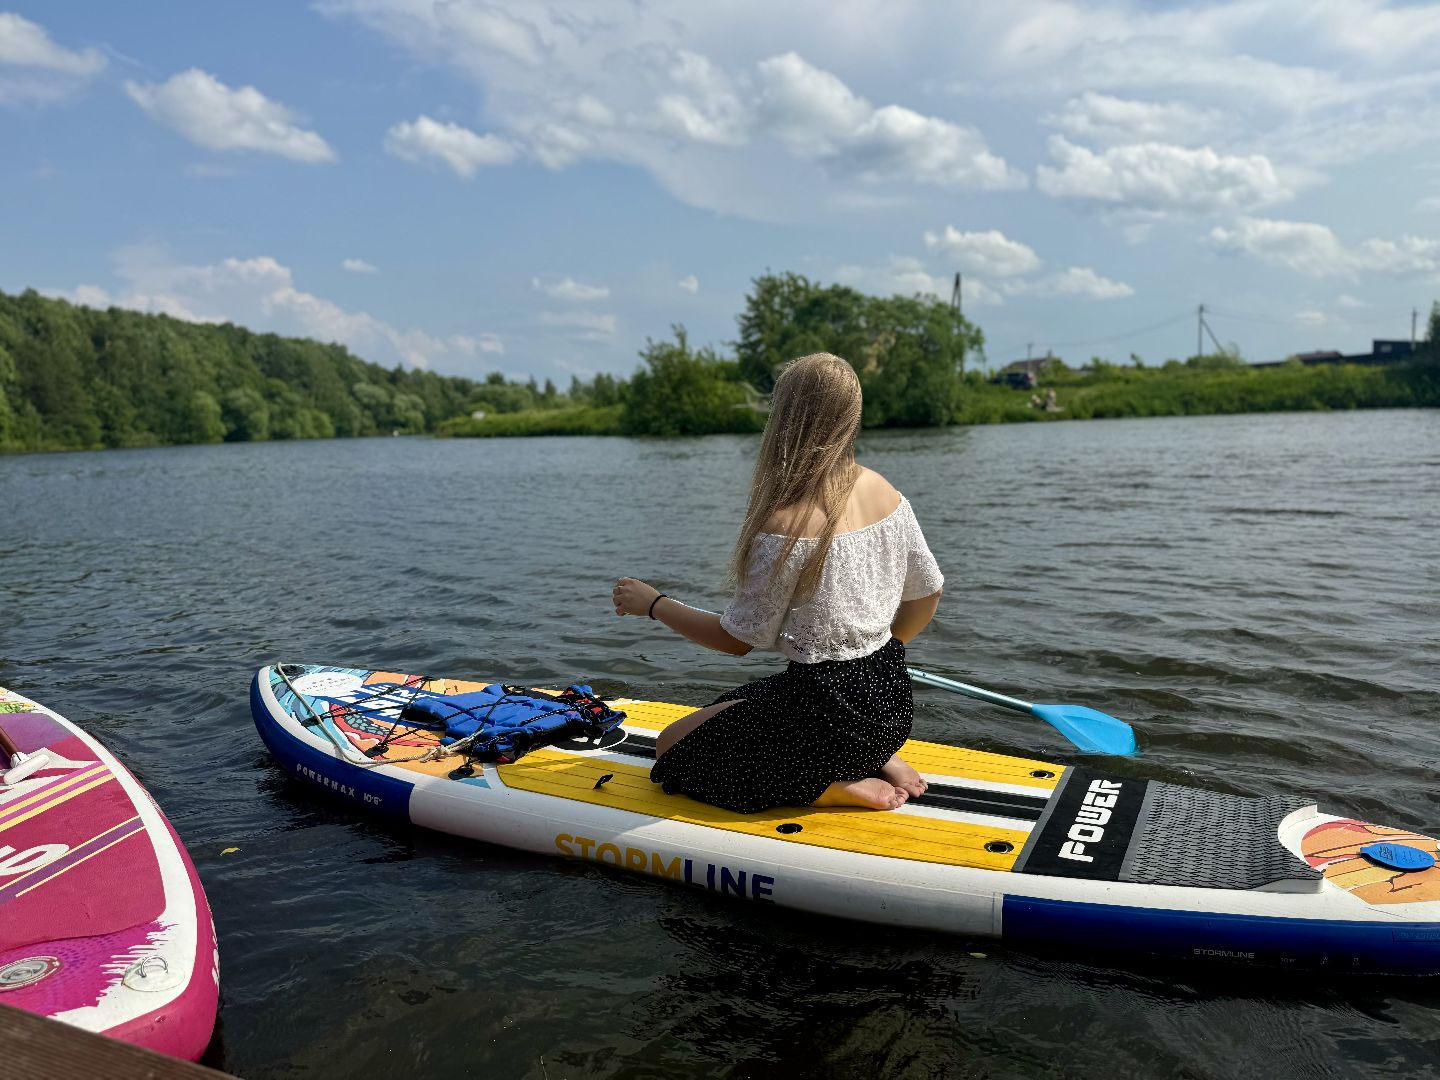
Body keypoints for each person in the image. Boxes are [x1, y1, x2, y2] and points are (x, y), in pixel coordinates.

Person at [609, 352, 944, 814]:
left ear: (784, 419)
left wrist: (656, 604)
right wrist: (878, 653)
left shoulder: (784, 522)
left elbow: (736, 642)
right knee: (748, 700)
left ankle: (830, 786)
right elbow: (928, 593)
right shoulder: (881, 488)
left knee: (670, 750)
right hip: (889, 700)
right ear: (852, 415)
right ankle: (878, 755)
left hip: (826, 718)